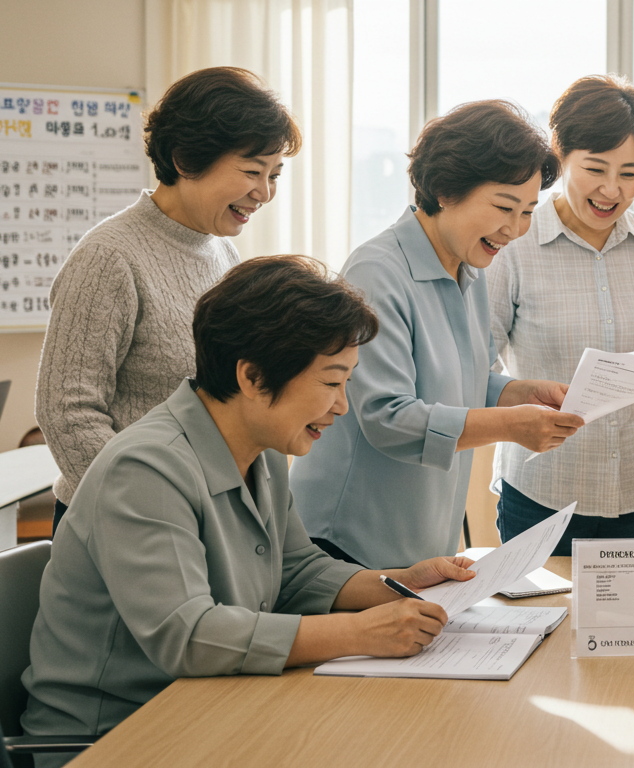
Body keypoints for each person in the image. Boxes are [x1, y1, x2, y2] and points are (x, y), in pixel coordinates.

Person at [21, 256, 478, 764]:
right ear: (253, 376)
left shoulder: (259, 451)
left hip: (212, 709)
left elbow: (296, 571)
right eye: (331, 383)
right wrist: (357, 632)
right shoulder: (145, 469)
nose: (342, 406)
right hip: (115, 739)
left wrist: (401, 583)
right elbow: (188, 635)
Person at [289, 101, 583, 569]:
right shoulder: (378, 271)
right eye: (505, 207)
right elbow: (388, 417)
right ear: (446, 190)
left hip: (420, 536)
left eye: (528, 211)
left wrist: (523, 393)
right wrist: (510, 426)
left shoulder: (470, 267)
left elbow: (470, 379)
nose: (516, 229)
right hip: (348, 541)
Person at [36, 66, 298, 531]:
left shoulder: (222, 251)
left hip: (201, 511)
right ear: (185, 159)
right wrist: (146, 505)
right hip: (122, 518)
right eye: (252, 171)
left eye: (274, 174)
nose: (265, 192)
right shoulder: (109, 257)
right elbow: (67, 411)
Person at [488, 76, 634, 554]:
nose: (611, 190)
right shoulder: (514, 241)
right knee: (544, 626)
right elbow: (479, 363)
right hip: (543, 490)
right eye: (595, 169)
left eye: (630, 173)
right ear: (559, 157)